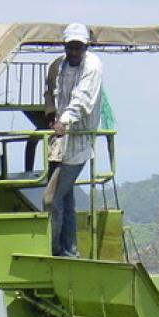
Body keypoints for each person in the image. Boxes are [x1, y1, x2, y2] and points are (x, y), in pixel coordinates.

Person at [42, 22, 103, 257]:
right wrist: (51, 116)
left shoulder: (93, 67)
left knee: (51, 199)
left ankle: (56, 249)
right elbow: (51, 94)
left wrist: (64, 121)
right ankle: (70, 250)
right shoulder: (58, 66)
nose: (74, 52)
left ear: (86, 47)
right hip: (59, 143)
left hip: (79, 141)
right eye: (70, 47)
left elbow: (82, 99)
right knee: (66, 200)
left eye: (79, 47)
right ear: (65, 46)